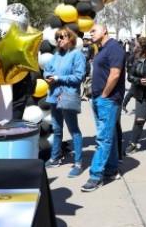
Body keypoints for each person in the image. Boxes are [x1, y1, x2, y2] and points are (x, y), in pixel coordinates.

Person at [81, 24, 126, 193]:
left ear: (105, 31)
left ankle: (95, 175)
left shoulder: (114, 47)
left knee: (103, 138)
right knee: (110, 136)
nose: (90, 33)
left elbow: (115, 74)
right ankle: (112, 169)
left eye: (93, 31)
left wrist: (105, 95)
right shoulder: (101, 49)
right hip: (100, 99)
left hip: (108, 100)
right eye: (90, 31)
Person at [43, 28, 86, 178]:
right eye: (57, 37)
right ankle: (55, 157)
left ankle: (79, 163)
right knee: (56, 129)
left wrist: (58, 78)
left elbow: (79, 77)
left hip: (67, 96)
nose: (59, 40)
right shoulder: (56, 55)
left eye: (62, 37)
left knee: (74, 130)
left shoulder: (77, 55)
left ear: (71, 39)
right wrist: (48, 76)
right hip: (54, 96)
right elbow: (47, 70)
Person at [123, 36, 146, 112]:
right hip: (138, 73)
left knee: (137, 90)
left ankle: (127, 104)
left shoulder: (139, 50)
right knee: (133, 90)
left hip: (138, 73)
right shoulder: (140, 51)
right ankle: (124, 104)